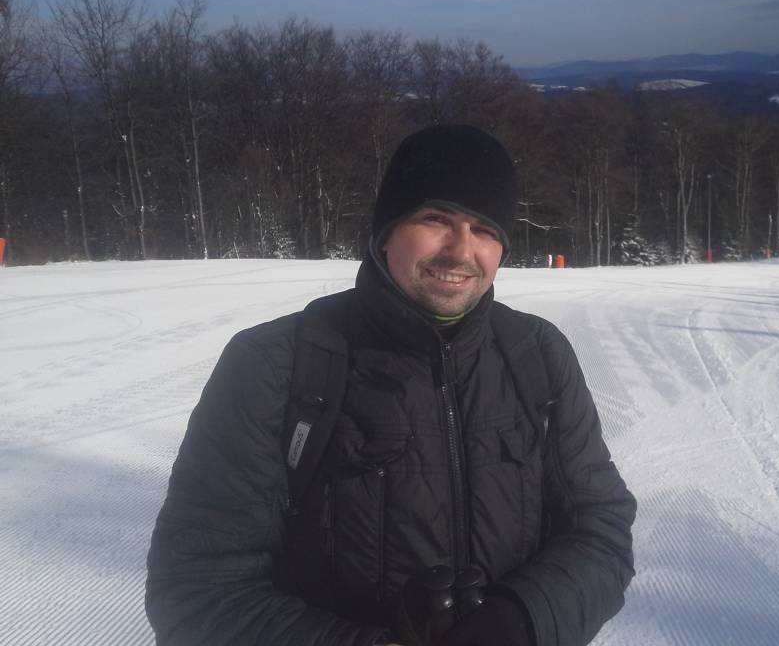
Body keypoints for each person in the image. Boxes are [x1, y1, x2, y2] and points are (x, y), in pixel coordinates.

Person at [146, 124, 636, 645]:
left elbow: (599, 527)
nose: (461, 251)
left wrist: (522, 620)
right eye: (436, 219)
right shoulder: (275, 363)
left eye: (484, 229)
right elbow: (200, 589)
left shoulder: (537, 353)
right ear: (386, 232)